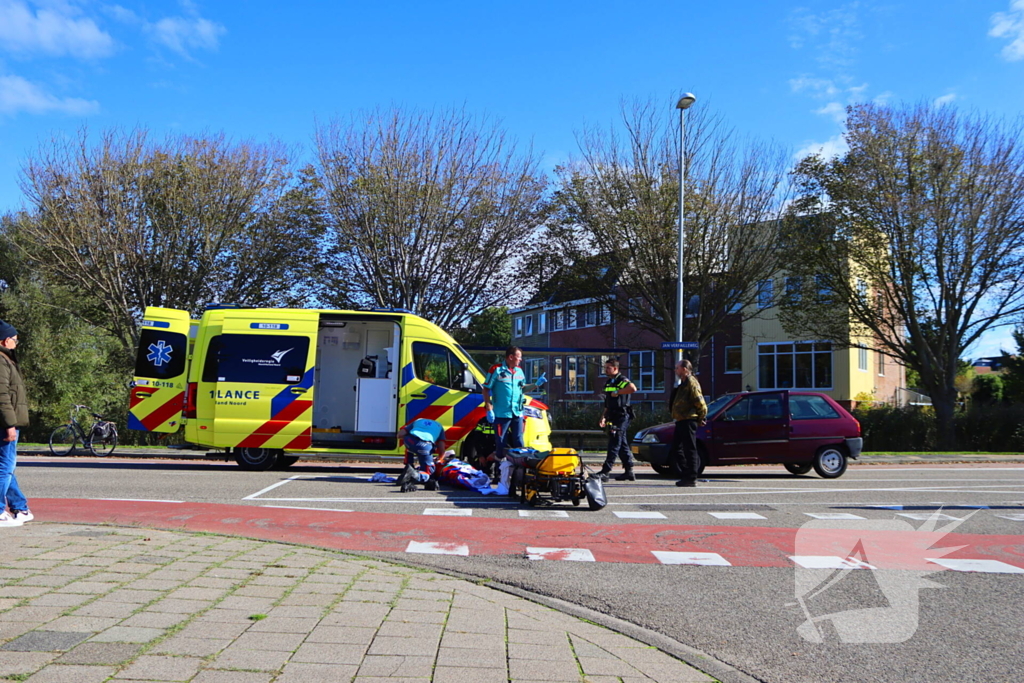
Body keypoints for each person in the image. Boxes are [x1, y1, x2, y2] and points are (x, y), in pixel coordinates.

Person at [481, 346, 545, 494]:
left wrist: (536, 384)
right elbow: (485, 389)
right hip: (501, 414)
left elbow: (522, 389)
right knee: (501, 444)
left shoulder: (519, 371)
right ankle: (500, 475)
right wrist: (489, 408)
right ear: (510, 357)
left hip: (517, 413)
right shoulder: (496, 370)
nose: (520, 359)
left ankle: (519, 476)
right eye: (518, 357)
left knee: (519, 443)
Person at [0, 321, 31, 527]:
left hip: (5, 422)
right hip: (4, 424)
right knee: (5, 467)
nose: (16, 344)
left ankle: (21, 508)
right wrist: (10, 424)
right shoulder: (1, 361)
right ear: (5, 340)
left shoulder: (5, 359)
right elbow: (2, 396)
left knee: (6, 467)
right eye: (15, 340)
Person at [597, 358, 637, 481]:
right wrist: (603, 416)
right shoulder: (609, 382)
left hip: (622, 415)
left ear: (615, 368)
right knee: (622, 443)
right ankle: (629, 470)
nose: (606, 370)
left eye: (608, 368)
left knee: (615, 442)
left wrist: (618, 392)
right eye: (605, 368)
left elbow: (633, 388)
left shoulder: (622, 380)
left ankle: (606, 471)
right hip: (612, 414)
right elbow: (608, 402)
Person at [669, 359, 707, 488]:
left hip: (688, 420)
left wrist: (701, 417)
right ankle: (686, 473)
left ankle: (691, 477)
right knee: (676, 448)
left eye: (677, 368)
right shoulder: (682, 383)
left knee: (690, 448)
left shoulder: (691, 382)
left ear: (685, 369)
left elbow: (700, 401)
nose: (676, 370)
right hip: (681, 420)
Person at [396, 418, 446, 492]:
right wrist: (440, 458)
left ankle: (409, 466)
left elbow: (400, 434)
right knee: (428, 473)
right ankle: (415, 475)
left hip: (409, 440)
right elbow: (441, 448)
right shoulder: (439, 426)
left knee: (409, 448)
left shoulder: (418, 421)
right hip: (425, 445)